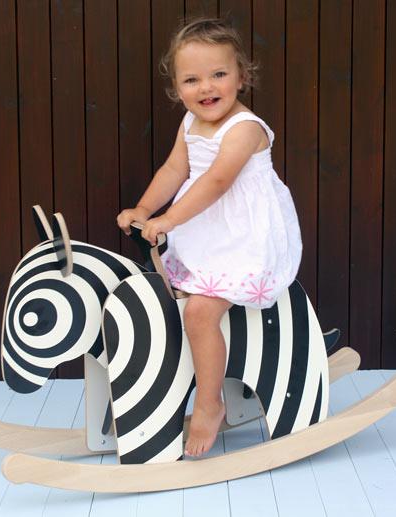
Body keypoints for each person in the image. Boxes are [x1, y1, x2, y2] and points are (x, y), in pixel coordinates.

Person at [116, 18, 302, 457]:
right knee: (173, 303)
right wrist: (145, 209)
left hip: (243, 239)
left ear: (242, 75)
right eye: (192, 79)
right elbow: (174, 170)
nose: (206, 88)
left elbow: (217, 181)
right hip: (205, 230)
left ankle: (209, 402)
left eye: (219, 74)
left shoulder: (245, 128)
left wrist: (169, 219)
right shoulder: (190, 122)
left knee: (199, 314)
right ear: (176, 88)